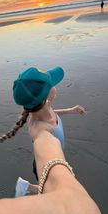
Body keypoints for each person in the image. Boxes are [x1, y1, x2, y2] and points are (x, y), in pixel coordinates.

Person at [12, 66, 86, 196]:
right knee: (50, 191)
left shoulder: (43, 108)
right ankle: (25, 187)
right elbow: (45, 143)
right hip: (43, 163)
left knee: (46, 188)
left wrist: (71, 110)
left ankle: (24, 186)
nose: (55, 86)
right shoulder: (40, 130)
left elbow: (52, 113)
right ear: (46, 97)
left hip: (52, 156)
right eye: (52, 84)